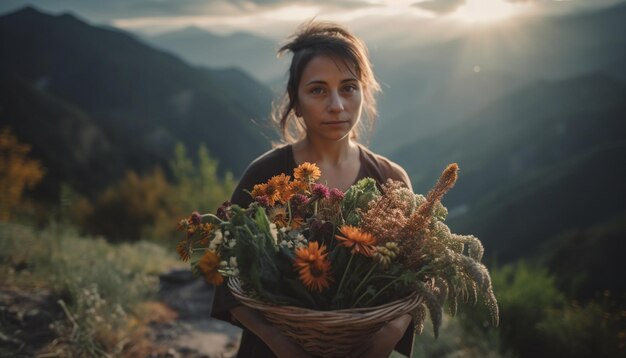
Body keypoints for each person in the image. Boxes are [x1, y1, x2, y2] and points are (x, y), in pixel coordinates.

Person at [211, 20, 415, 358]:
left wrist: (389, 335)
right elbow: (227, 278)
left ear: (364, 91)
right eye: (318, 90)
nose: (336, 105)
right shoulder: (265, 176)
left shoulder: (390, 180)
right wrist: (280, 343)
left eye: (348, 87)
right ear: (296, 100)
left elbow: (416, 279)